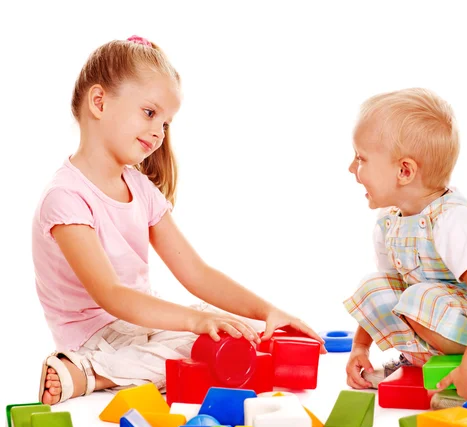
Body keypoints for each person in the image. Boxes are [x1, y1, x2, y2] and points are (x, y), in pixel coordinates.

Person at [33, 35, 325, 406]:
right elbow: (111, 295)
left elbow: (197, 273)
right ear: (99, 102)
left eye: (167, 123)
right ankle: (89, 371)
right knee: (193, 345)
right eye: (150, 113)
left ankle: (145, 365)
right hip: (94, 335)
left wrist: (267, 312)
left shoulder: (139, 188)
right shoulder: (66, 197)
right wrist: (194, 323)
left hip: (138, 325)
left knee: (240, 333)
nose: (159, 132)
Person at [343, 88, 467, 407]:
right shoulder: (389, 223)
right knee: (375, 287)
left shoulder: (452, 221)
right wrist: (360, 347)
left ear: (404, 171)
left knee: (417, 297)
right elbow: (392, 288)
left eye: (361, 158)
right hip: (440, 314)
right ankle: (418, 362)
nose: (351, 168)